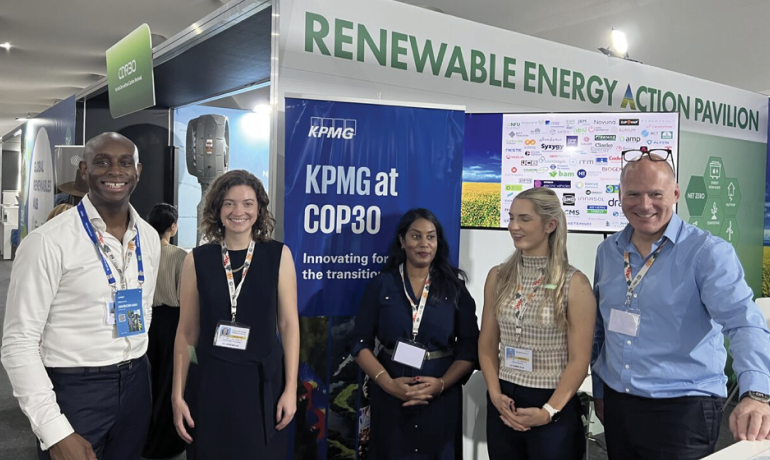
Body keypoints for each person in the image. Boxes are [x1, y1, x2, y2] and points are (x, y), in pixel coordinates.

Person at [592, 147, 770, 460]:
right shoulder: (608, 251)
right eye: (633, 194)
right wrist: (600, 390)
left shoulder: (706, 252)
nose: (644, 205)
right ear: (620, 195)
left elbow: (743, 322)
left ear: (675, 194)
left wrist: (756, 393)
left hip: (683, 409)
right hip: (619, 403)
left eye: (655, 194)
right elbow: (600, 328)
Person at [1, 132, 161, 460]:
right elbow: (18, 342)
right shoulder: (48, 242)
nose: (115, 171)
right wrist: (53, 429)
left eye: (125, 163)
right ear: (84, 170)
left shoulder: (147, 236)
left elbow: (144, 307)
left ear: (138, 171)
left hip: (137, 381)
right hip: (76, 389)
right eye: (102, 162)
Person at [172, 169, 299, 459]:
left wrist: (291, 388)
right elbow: (187, 334)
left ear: (259, 209)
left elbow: (289, 325)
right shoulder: (197, 260)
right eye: (229, 203)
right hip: (210, 384)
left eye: (247, 203)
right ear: (217, 209)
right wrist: (177, 394)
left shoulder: (278, 256)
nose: (238, 211)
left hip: (262, 386)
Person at [349, 208, 479, 459]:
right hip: (391, 392)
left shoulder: (455, 288)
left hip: (440, 395)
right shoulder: (381, 285)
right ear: (402, 240)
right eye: (416, 236)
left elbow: (469, 347)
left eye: (431, 237)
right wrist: (388, 384)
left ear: (438, 242)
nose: (424, 244)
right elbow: (359, 342)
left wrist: (442, 384)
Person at [478, 187, 596, 460]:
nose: (514, 227)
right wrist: (494, 394)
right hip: (504, 400)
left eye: (524, 219)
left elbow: (579, 360)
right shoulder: (498, 277)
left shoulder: (574, 283)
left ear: (550, 225)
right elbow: (487, 343)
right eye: (511, 218)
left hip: (552, 404)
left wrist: (548, 411)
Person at [142, 203, 187, 459]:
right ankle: (167, 441)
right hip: (173, 323)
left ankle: (145, 439)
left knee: (148, 379)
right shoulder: (180, 256)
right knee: (170, 380)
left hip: (146, 323)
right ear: (173, 226)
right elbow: (185, 297)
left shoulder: (141, 253)